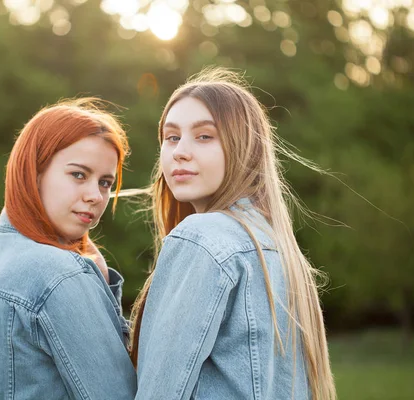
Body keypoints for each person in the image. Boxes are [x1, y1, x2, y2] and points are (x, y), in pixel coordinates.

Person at [131, 67, 336, 400]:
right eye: (171, 137)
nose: (180, 150)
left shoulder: (204, 237)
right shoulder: (273, 243)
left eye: (204, 136)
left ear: (243, 148)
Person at [0, 99, 136, 399]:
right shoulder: (58, 274)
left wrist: (99, 280)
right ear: (34, 172)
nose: (95, 195)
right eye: (79, 174)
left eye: (105, 182)